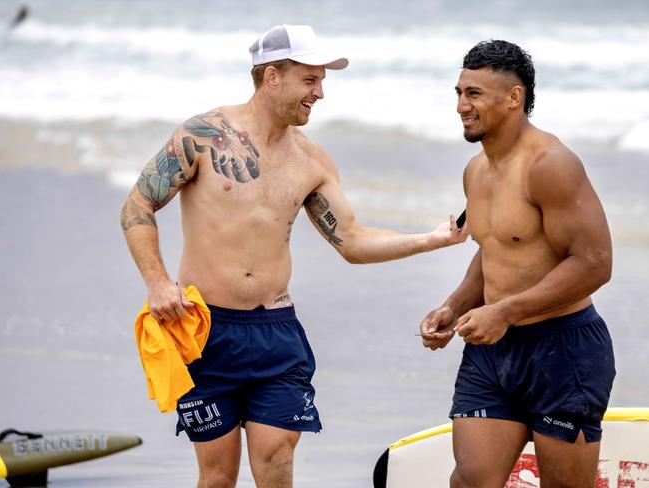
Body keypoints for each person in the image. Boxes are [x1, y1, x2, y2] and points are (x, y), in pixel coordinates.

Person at [121, 24, 467, 488]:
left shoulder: (312, 161)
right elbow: (138, 205)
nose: (320, 93)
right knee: (218, 476)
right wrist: (158, 282)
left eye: (322, 81)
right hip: (205, 330)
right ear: (272, 77)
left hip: (275, 333)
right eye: (311, 80)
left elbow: (352, 241)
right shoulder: (202, 135)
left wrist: (432, 239)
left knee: (275, 461)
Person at [419, 40, 615, 487]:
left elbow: (595, 263)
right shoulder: (476, 170)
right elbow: (494, 248)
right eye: (459, 93)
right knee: (470, 481)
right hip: (492, 352)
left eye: (474, 94)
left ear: (514, 97)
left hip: (563, 351)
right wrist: (453, 306)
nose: (461, 106)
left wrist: (504, 311)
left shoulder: (551, 164)